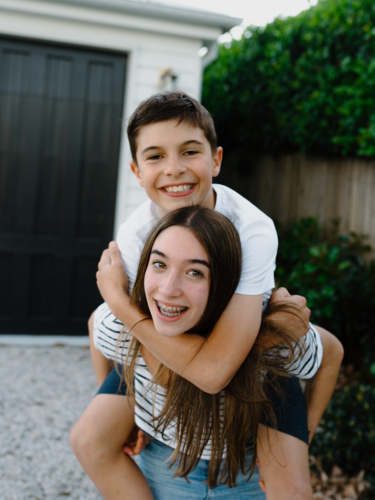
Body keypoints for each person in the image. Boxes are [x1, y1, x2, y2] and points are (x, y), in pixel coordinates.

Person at [70, 91, 344, 499]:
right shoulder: (135, 234)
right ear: (136, 170)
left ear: (216, 159)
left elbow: (217, 371)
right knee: (88, 438)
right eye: (155, 156)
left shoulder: (251, 229)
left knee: (292, 490)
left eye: (189, 151)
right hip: (172, 341)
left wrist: (120, 304)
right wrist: (133, 411)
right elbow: (128, 341)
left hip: (250, 353)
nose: (174, 169)